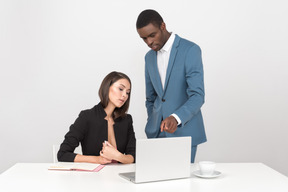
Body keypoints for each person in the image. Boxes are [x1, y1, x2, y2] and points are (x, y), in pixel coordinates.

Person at [136, 9, 207, 163]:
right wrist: (153, 121)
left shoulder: (190, 50)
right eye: (144, 39)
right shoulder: (148, 58)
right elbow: (151, 98)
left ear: (163, 26)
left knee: (180, 185)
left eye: (152, 35)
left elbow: (197, 95)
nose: (149, 42)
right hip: (156, 133)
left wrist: (176, 118)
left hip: (183, 132)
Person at [58, 71, 136, 164]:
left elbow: (133, 156)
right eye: (120, 89)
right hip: (94, 177)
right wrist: (97, 159)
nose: (124, 95)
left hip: (120, 176)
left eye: (128, 92)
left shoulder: (126, 120)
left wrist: (118, 156)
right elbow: (63, 154)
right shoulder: (87, 117)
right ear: (107, 87)